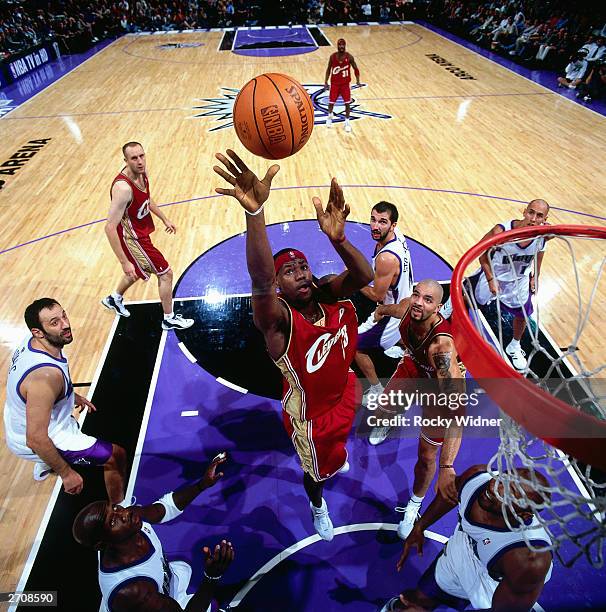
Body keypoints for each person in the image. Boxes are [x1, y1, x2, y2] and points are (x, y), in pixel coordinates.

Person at [213, 149, 373, 541]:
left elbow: (364, 274)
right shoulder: (279, 322)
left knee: (337, 451)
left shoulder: (328, 293)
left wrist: (338, 239)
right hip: (311, 415)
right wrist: (255, 214)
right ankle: (318, 506)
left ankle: (334, 459)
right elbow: (261, 281)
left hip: (343, 393)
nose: (300, 274)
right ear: (280, 284)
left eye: (302, 266)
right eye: (289, 271)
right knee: (314, 471)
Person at [73, 453, 234, 612]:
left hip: (165, 590)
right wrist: (212, 576)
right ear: (102, 544)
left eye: (115, 508)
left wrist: (202, 484)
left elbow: (161, 509)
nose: (123, 513)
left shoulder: (130, 519)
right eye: (113, 521)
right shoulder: (132, 591)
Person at [380, 464, 553, 611]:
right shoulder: (477, 479)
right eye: (504, 477)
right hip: (463, 549)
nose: (495, 487)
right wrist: (420, 527)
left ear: (522, 514)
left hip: (493, 584)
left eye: (509, 492)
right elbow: (450, 497)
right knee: (420, 599)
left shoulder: (528, 559)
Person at [4, 298, 126, 503]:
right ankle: (119, 508)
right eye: (55, 322)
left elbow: (34, 392)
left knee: (71, 426)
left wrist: (69, 395)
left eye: (64, 315)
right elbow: (35, 438)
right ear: (38, 332)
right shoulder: (45, 377)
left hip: (18, 420)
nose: (66, 324)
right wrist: (66, 474)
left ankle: (43, 464)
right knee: (116, 456)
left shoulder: (32, 342)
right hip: (36, 438)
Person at [368, 280, 464, 539]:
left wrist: (448, 466)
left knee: (426, 457)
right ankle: (391, 417)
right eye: (416, 295)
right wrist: (380, 311)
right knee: (381, 411)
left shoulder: (442, 349)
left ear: (439, 307)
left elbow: (457, 412)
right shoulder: (409, 310)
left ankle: (414, 505)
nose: (419, 302)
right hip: (414, 366)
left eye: (428, 300)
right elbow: (396, 309)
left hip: (439, 392)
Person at [102, 141, 194, 331]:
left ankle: (114, 298)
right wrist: (123, 261)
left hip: (141, 231)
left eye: (142, 156)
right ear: (125, 161)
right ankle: (169, 318)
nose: (140, 161)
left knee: (136, 271)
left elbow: (147, 199)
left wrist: (164, 219)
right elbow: (110, 228)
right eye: (134, 158)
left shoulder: (142, 174)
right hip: (132, 238)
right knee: (165, 273)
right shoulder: (123, 189)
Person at [473, 199, 550, 370]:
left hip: (519, 280)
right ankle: (449, 307)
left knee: (523, 313)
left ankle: (514, 345)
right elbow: (481, 255)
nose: (534, 219)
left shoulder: (542, 237)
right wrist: (491, 279)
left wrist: (534, 277)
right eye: (531, 212)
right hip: (493, 275)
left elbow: (539, 256)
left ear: (545, 219)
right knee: (469, 299)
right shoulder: (501, 231)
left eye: (539, 216)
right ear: (524, 211)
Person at [355, 201, 414, 405]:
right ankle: (402, 344)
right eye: (373, 219)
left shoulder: (386, 258)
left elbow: (377, 296)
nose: (375, 226)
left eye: (382, 222)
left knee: (355, 347)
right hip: (405, 300)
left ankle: (376, 388)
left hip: (392, 313)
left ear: (393, 224)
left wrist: (356, 280)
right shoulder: (398, 238)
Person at [323, 38, 361, 133]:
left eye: (343, 45)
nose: (341, 46)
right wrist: (325, 81)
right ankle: (329, 117)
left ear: (345, 45)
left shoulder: (350, 57)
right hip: (335, 84)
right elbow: (328, 69)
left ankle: (347, 122)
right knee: (331, 103)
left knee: (347, 103)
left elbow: (356, 69)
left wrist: (358, 80)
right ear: (337, 46)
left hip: (345, 84)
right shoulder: (332, 57)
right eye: (340, 45)